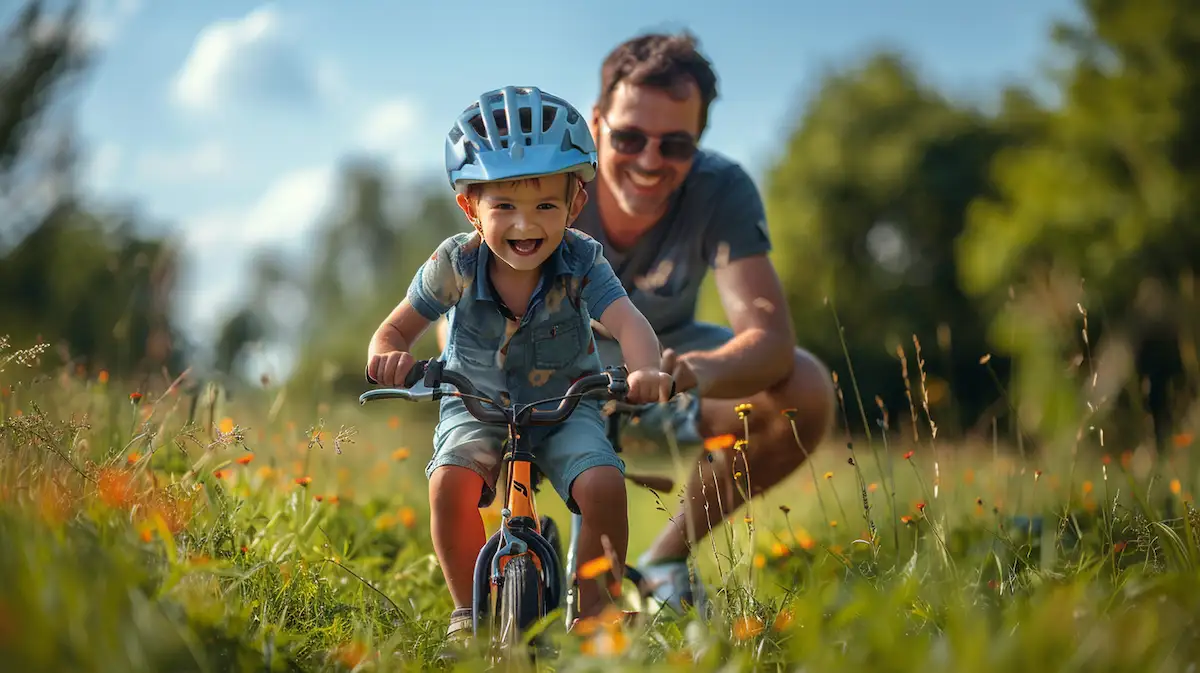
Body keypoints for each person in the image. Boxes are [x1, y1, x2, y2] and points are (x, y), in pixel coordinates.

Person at [366, 86, 674, 640]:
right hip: (474, 403)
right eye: (504, 205)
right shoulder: (454, 263)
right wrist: (388, 356)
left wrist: (644, 369)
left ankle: (596, 614)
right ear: (470, 207)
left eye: (545, 206)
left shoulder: (582, 260)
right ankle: (467, 611)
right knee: (448, 486)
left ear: (575, 205)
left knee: (604, 484)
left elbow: (628, 321)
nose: (525, 225)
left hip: (565, 403)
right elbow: (394, 329)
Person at [571, 32, 837, 611]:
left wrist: (696, 372)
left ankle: (666, 560)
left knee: (804, 390)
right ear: (596, 122)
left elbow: (770, 340)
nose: (649, 161)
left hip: (669, 361)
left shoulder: (722, 188)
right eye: (629, 137)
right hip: (552, 358)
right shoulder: (554, 177)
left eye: (675, 145)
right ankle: (492, 578)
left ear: (700, 143)